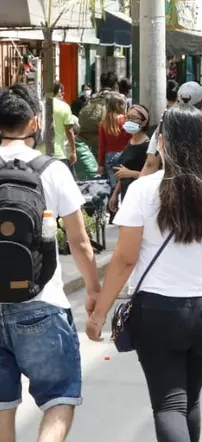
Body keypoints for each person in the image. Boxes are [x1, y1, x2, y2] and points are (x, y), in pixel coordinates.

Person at [85, 104, 202, 442]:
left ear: (162, 143)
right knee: (190, 398)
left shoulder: (144, 190)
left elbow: (125, 259)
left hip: (158, 310)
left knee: (169, 404)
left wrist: (99, 314)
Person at [0, 84, 100, 442]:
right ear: (35, 122)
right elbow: (79, 241)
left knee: (1, 408)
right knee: (59, 398)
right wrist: (94, 291)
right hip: (41, 301)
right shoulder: (52, 169)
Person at [107, 104, 152, 214]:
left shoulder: (148, 146)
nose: (129, 121)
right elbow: (123, 172)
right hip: (126, 196)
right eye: (127, 117)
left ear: (144, 122)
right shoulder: (130, 142)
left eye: (133, 118)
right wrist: (115, 194)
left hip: (141, 199)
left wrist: (130, 173)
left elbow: (153, 175)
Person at [78, 71, 123, 155]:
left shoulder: (93, 97)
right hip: (109, 140)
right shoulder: (117, 98)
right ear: (115, 84)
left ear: (101, 84)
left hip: (89, 140)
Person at [97, 93, 129, 189]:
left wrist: (100, 164)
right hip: (125, 154)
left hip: (109, 157)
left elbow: (101, 145)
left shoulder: (104, 122)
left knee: (113, 186)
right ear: (120, 105)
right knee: (125, 185)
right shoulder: (126, 120)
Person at [50, 82, 78, 175]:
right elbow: (69, 131)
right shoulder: (64, 107)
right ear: (58, 91)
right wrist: (73, 151)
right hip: (59, 153)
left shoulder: (41, 105)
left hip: (41, 155)